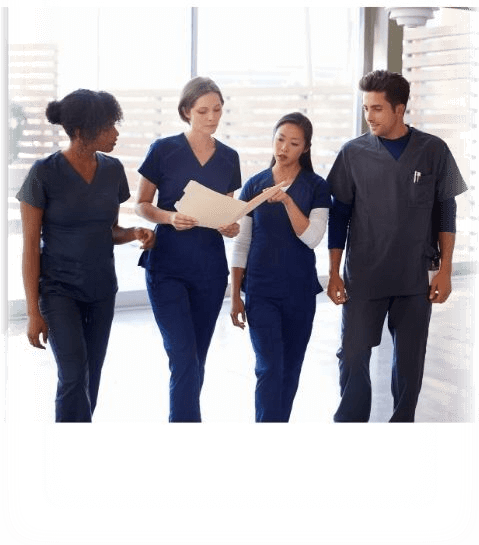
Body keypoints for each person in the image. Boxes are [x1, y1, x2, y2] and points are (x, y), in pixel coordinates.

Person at [327, 70, 468, 422]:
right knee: (353, 353)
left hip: (413, 278)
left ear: (400, 109)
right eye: (365, 108)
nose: (369, 116)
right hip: (363, 276)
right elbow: (339, 215)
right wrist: (333, 271)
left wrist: (446, 269)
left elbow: (445, 214)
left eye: (377, 108)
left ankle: (402, 428)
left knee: (409, 361)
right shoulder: (352, 154)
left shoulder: (433, 150)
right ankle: (351, 422)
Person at [17, 89, 155, 422]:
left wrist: (132, 233)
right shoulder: (43, 174)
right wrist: (33, 312)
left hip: (101, 291)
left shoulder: (113, 170)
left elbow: (109, 230)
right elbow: (30, 247)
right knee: (74, 375)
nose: (116, 133)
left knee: (90, 379)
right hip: (58, 290)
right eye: (108, 126)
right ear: (81, 131)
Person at [135, 76, 241, 422]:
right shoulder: (163, 150)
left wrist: (231, 226)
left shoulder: (229, 158)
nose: (212, 117)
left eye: (218, 110)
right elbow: (142, 205)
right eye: (203, 110)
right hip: (166, 267)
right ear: (186, 111)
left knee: (197, 358)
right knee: (183, 356)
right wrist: (169, 217)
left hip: (209, 272)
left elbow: (228, 211)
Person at [230, 112, 331, 422]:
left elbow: (312, 238)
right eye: (280, 139)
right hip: (261, 292)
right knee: (269, 366)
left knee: (289, 368)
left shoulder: (316, 186)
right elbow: (242, 244)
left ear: (306, 148)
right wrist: (235, 295)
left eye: (294, 143)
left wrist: (287, 202)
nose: (284, 147)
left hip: (299, 294)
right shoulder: (253, 185)